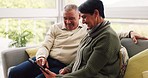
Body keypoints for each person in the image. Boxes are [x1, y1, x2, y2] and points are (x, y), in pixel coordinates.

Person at [8, 3, 148, 78]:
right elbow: (45, 45)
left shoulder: (87, 29)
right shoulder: (56, 28)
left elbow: (110, 36)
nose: (68, 22)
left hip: (63, 64)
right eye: (65, 18)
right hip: (47, 60)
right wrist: (41, 57)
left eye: (73, 18)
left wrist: (129, 33)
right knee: (14, 73)